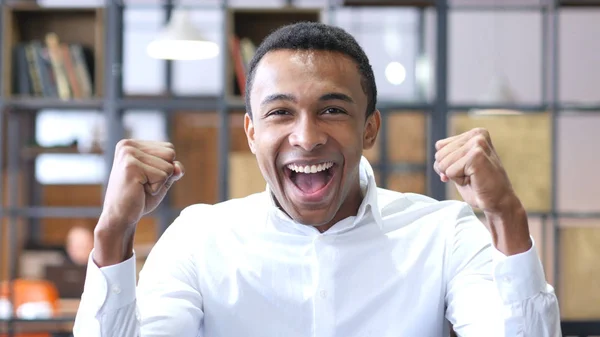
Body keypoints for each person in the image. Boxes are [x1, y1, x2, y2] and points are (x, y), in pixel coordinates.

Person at [73, 22, 560, 336]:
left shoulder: (444, 232)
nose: (306, 137)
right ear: (251, 132)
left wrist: (506, 217)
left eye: (331, 110)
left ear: (369, 128)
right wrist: (113, 233)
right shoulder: (199, 240)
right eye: (281, 112)